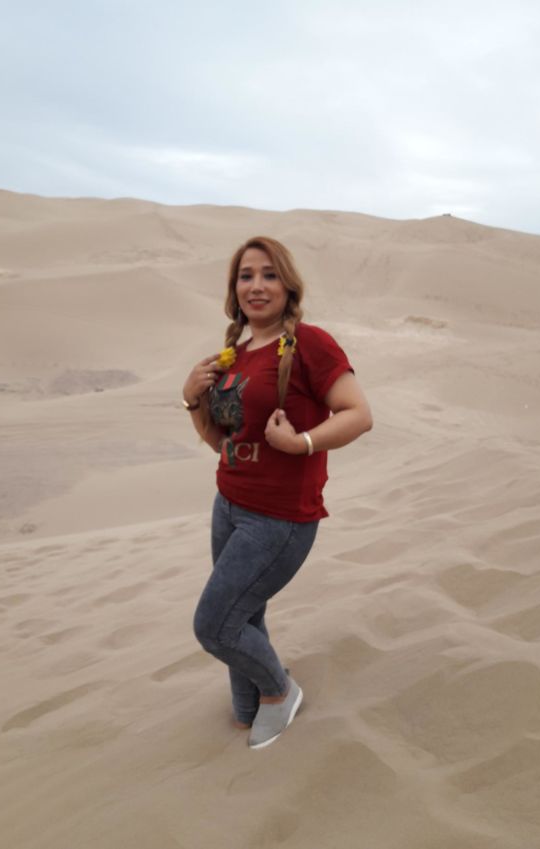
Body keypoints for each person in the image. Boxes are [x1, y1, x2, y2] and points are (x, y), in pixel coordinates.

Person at [182, 236, 372, 749]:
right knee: (244, 614)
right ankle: (248, 708)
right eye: (246, 276)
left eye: (269, 274)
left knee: (214, 626)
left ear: (289, 286)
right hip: (229, 505)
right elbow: (223, 443)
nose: (257, 286)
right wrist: (192, 399)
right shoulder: (235, 355)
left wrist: (301, 442)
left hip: (279, 518)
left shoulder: (310, 343)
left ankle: (279, 692)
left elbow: (359, 415)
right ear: (234, 289)